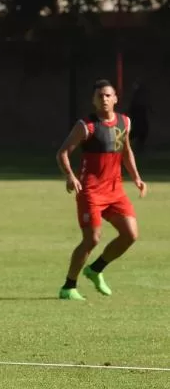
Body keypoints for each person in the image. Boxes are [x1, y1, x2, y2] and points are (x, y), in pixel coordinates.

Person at [56, 79, 146, 301]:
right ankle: (68, 287)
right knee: (92, 239)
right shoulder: (86, 125)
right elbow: (62, 153)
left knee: (130, 234)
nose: (104, 99)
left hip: (115, 190)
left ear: (115, 98)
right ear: (93, 100)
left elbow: (126, 151)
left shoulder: (125, 122)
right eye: (99, 96)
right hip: (91, 191)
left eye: (108, 95)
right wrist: (70, 176)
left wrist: (136, 177)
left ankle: (96, 269)